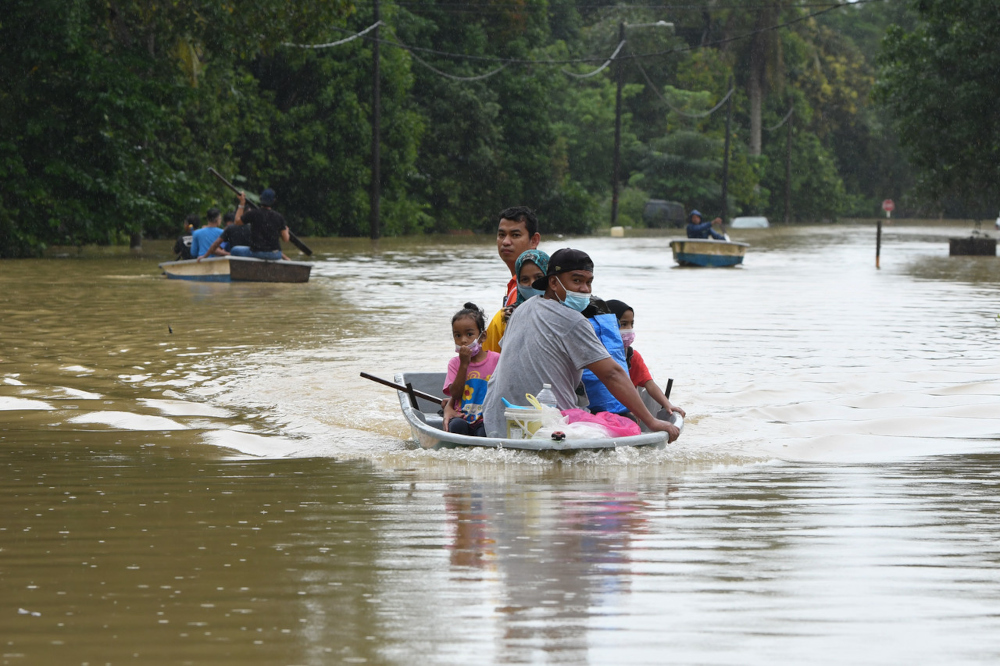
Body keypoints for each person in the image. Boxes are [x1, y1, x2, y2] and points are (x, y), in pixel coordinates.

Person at [482, 248, 680, 442]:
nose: (585, 289)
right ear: (553, 282)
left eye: (589, 282)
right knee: (625, 425)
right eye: (576, 281)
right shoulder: (572, 319)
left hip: (495, 424)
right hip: (545, 430)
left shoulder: (520, 310)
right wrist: (651, 422)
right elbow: (612, 374)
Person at [606, 299, 685, 418]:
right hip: (602, 411)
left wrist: (667, 404)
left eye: (631, 324)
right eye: (623, 324)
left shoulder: (632, 357)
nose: (629, 329)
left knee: (630, 417)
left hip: (626, 414)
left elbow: (649, 384)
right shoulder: (597, 356)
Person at [482, 206, 541, 353]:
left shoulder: (530, 289)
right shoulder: (515, 285)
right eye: (501, 235)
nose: (506, 242)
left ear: (534, 240)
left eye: (515, 235)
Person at [442, 303, 500, 438]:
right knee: (457, 426)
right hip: (460, 416)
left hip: (486, 418)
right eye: (457, 335)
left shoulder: (496, 360)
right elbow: (455, 394)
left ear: (483, 336)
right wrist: (464, 364)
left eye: (469, 334)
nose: (463, 340)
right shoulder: (455, 363)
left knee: (484, 432)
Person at [483, 249, 549, 351]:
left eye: (539, 277)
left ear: (550, 279)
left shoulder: (563, 316)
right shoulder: (503, 319)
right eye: (525, 279)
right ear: (518, 283)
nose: (532, 284)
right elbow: (487, 359)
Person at [231, 189, 289, 260]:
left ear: (260, 199)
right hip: (275, 254)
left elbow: (237, 222)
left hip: (257, 253)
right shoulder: (279, 217)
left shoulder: (253, 213)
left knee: (234, 250)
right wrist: (286, 231)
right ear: (274, 201)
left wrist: (242, 203)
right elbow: (286, 239)